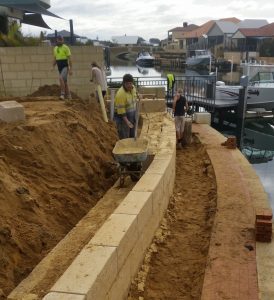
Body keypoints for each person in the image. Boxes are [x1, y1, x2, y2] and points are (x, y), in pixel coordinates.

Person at [114, 74, 137, 139]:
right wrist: (127, 121)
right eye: (127, 84)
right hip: (121, 116)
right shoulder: (121, 94)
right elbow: (121, 111)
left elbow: (135, 94)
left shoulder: (133, 88)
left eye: (130, 83)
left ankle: (132, 141)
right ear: (124, 83)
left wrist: (138, 95)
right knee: (123, 133)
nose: (129, 85)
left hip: (131, 114)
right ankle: (124, 144)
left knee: (132, 129)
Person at [52, 35, 72, 100]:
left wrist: (70, 69)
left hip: (65, 66)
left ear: (63, 40)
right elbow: (55, 58)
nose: (60, 41)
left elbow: (69, 59)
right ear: (57, 40)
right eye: (59, 40)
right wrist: (53, 66)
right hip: (59, 67)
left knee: (61, 78)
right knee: (65, 82)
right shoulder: (55, 48)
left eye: (61, 40)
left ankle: (62, 94)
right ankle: (69, 95)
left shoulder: (66, 48)